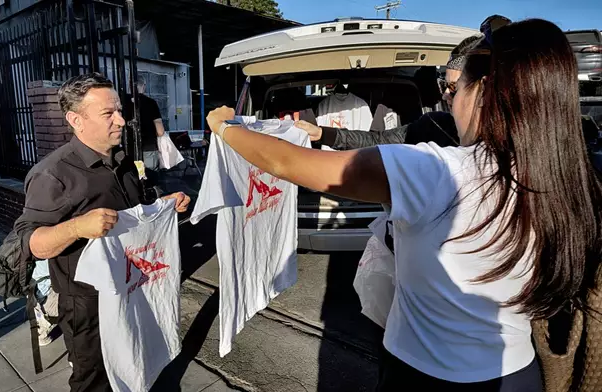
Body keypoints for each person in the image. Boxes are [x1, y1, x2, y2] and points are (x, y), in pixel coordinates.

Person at [205, 18, 602, 391]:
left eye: (455, 89)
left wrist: (225, 125)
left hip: (420, 374)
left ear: (484, 89)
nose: (450, 101)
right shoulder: (575, 183)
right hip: (517, 373)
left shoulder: (435, 170)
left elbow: (287, 162)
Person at [14, 73, 190, 392]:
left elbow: (131, 215)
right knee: (94, 380)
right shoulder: (52, 174)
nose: (122, 121)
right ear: (75, 120)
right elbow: (32, 245)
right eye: (109, 114)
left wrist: (162, 205)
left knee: (138, 362)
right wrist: (78, 227)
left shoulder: (122, 161)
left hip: (133, 289)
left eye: (119, 111)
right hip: (88, 306)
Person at [295, 34, 484, 149]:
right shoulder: (435, 125)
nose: (444, 95)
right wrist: (321, 134)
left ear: (483, 90)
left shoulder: (509, 149)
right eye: (444, 86)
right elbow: (376, 140)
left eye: (453, 88)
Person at [126, 75, 167, 190]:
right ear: (143, 86)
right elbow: (160, 131)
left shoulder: (123, 103)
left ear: (130, 86)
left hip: (128, 149)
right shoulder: (151, 103)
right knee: (150, 179)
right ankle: (152, 202)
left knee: (132, 178)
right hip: (148, 148)